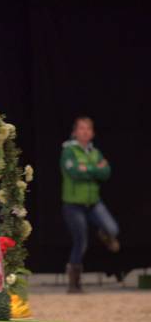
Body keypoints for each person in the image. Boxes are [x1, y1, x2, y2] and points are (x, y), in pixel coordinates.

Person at [60, 115, 119, 293]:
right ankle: (74, 282)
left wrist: (89, 169)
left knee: (113, 229)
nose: (85, 131)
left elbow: (106, 173)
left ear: (92, 133)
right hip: (73, 205)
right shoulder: (69, 151)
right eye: (81, 128)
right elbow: (74, 173)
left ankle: (105, 234)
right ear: (75, 132)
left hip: (93, 202)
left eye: (88, 129)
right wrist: (96, 170)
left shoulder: (95, 153)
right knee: (81, 241)